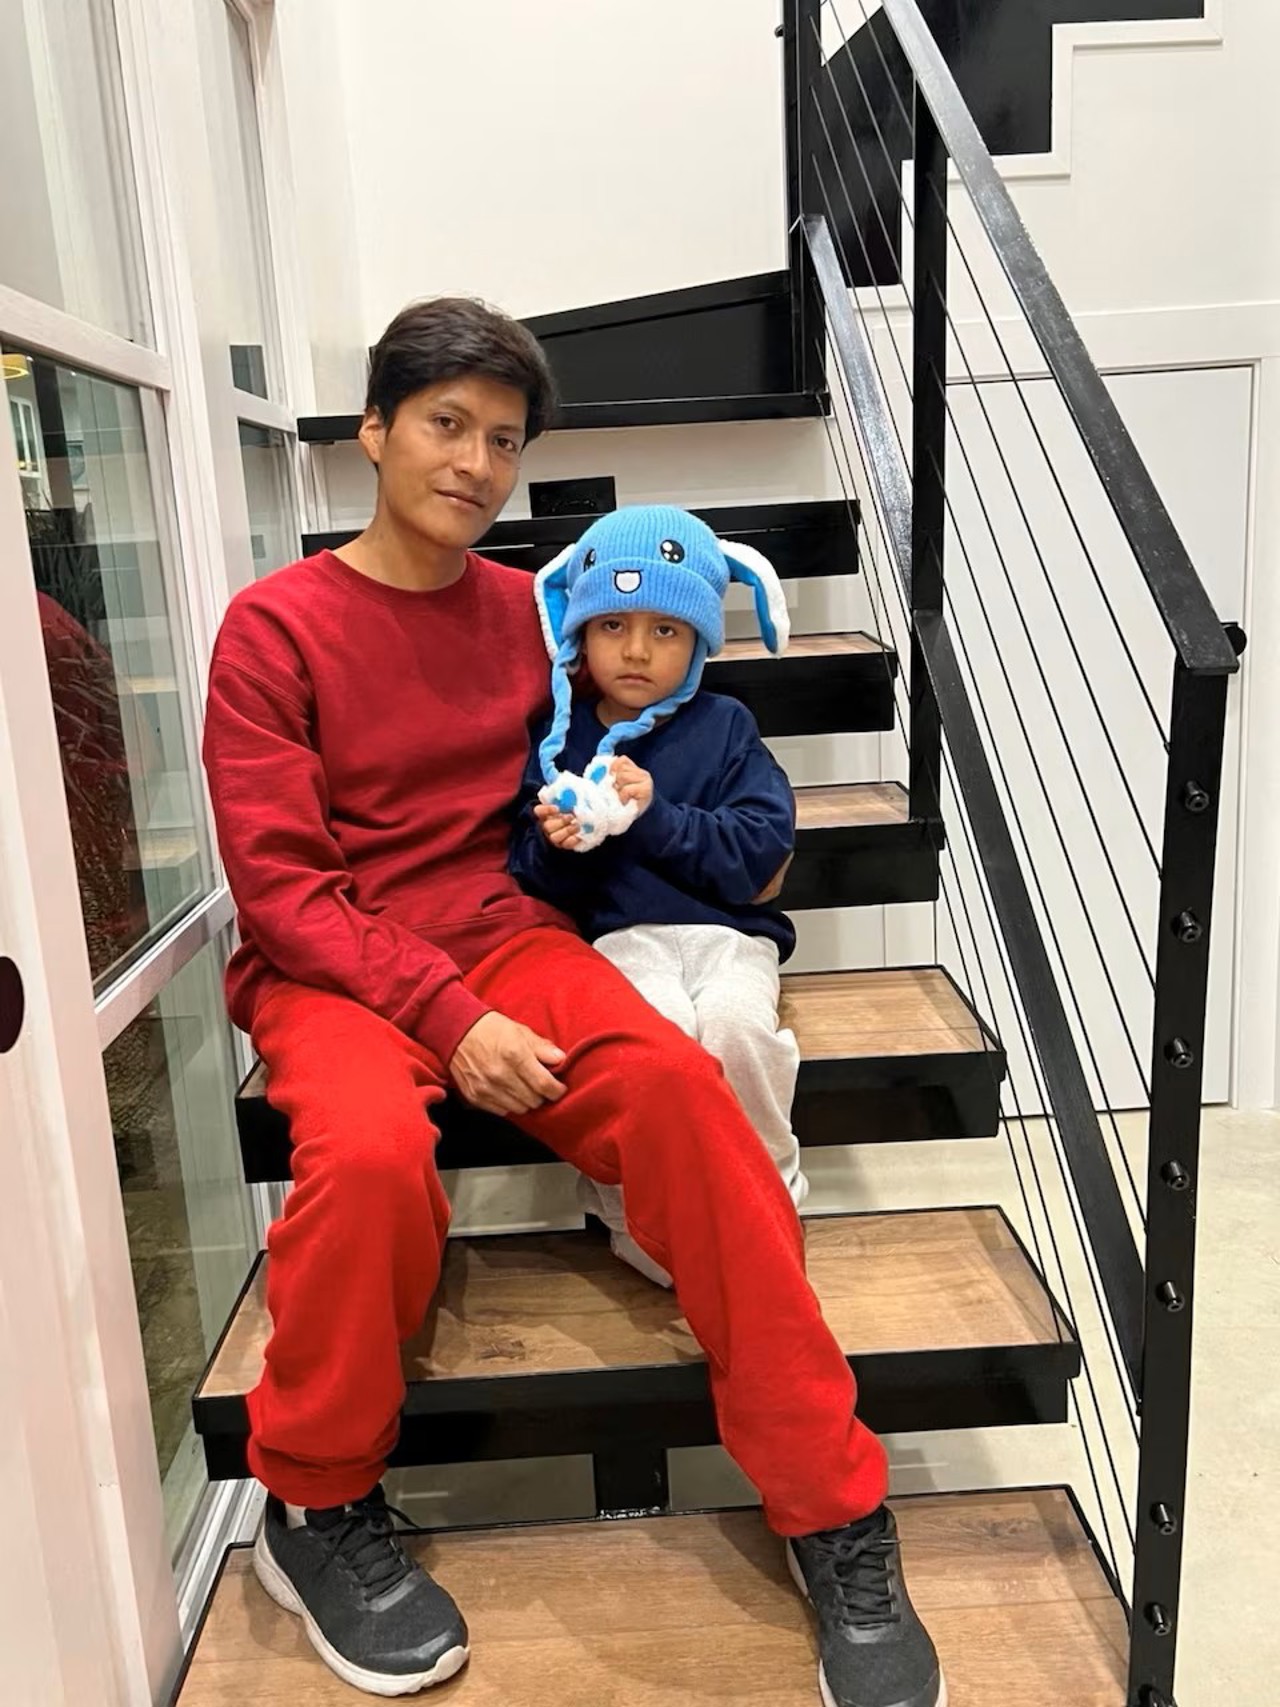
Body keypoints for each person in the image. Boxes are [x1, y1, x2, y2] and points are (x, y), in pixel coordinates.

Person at [201, 295, 943, 1707]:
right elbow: (284, 888)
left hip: (507, 935)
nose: (475, 463)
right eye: (445, 424)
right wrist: (444, 1016)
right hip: (334, 964)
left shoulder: (524, 618)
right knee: (370, 1157)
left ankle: (832, 1501)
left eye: (503, 439)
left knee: (683, 1094)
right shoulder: (272, 628)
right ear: (373, 430)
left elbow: (635, 740)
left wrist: (693, 846)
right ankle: (313, 1498)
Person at [509, 504, 810, 1287]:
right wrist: (560, 843)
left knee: (737, 1029)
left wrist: (653, 815)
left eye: (666, 630)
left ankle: (766, 1189)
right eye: (613, 625)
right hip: (620, 940)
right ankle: (634, 1211)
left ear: (700, 641)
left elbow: (759, 849)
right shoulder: (558, 740)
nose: (637, 649)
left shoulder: (727, 726)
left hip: (730, 938)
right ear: (580, 634)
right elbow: (530, 876)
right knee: (653, 1043)